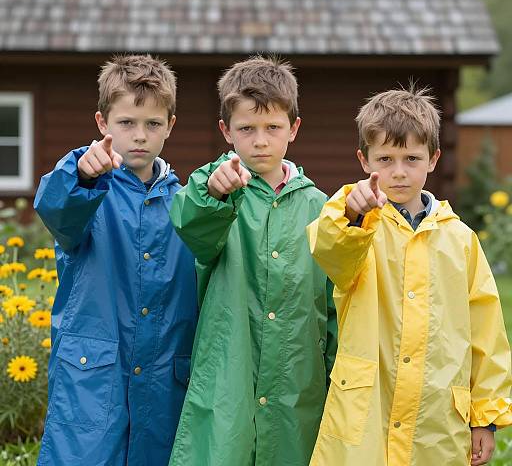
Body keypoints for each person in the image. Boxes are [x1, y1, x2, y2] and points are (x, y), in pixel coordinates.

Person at [307, 86, 512, 466]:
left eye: (411, 158)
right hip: (369, 411)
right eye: (385, 158)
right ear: (363, 159)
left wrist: (486, 416)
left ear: (433, 159)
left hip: (436, 419)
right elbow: (331, 252)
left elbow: (487, 332)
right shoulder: (356, 222)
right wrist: (352, 216)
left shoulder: (461, 239)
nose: (398, 172)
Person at [168, 55, 337, 465]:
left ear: (293, 129)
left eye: (272, 128)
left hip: (299, 378)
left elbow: (334, 300)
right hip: (230, 372)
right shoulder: (217, 192)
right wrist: (215, 193)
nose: (260, 141)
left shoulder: (321, 208)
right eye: (247, 129)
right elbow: (192, 226)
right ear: (227, 131)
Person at [34, 54, 198, 466]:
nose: (139, 136)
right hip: (91, 384)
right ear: (103, 123)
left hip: (163, 384)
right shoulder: (87, 188)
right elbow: (56, 209)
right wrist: (83, 176)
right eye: (127, 123)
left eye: (152, 124)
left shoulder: (186, 204)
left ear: (170, 127)